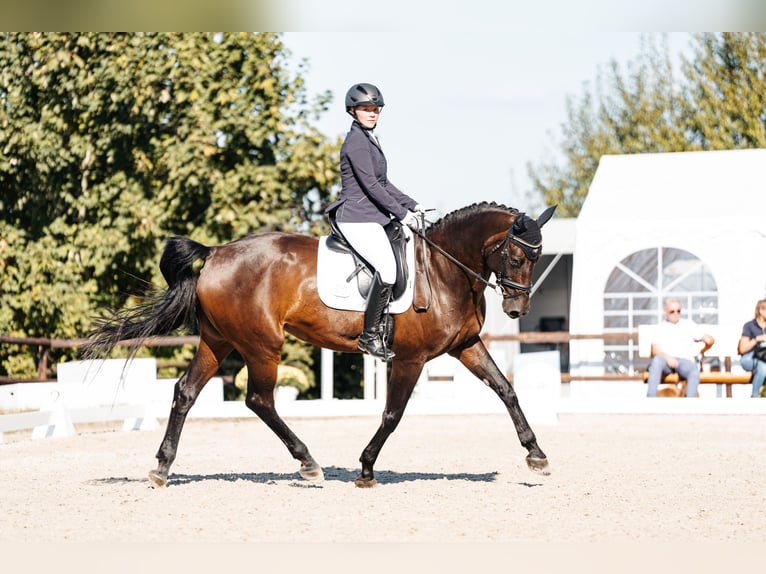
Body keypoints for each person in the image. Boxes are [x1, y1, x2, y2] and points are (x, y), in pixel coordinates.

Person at [325, 82, 425, 362]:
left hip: (372, 217)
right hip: (357, 218)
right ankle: (369, 336)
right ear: (352, 110)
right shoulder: (356, 142)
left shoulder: (368, 139)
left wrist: (411, 204)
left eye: (376, 109)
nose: (372, 113)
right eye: (367, 109)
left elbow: (384, 183)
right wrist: (403, 215)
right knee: (388, 270)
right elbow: (371, 186)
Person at [646, 298, 715, 397]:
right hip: (665, 361)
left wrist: (706, 342)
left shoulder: (688, 324)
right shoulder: (660, 327)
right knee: (656, 362)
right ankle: (650, 400)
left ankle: (689, 404)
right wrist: (667, 357)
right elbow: (654, 349)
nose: (675, 314)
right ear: (665, 312)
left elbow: (708, 340)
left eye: (678, 311)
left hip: (684, 361)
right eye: (672, 311)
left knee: (693, 369)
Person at [737, 299, 766, 397]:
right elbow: (742, 349)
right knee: (763, 367)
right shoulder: (750, 326)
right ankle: (755, 396)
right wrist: (757, 339)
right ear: (761, 311)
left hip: (764, 356)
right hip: (750, 357)